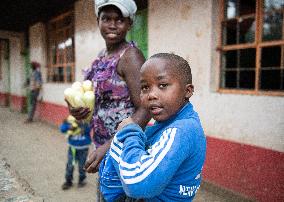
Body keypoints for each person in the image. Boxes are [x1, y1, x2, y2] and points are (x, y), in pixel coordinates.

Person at [66, 0, 150, 200]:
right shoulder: (102, 56)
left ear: (130, 23)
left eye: (120, 19)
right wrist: (77, 109)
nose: (112, 25)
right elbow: (98, 100)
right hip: (105, 149)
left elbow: (145, 108)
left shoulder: (131, 57)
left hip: (126, 151)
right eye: (106, 19)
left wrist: (111, 146)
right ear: (98, 21)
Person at [99, 53, 207, 201]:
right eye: (145, 87)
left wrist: (130, 132)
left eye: (162, 85)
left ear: (187, 91)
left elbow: (138, 184)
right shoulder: (169, 124)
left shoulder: (180, 130)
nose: (151, 95)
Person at [60, 115, 92, 190]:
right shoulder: (70, 120)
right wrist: (71, 126)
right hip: (72, 148)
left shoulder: (86, 122)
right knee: (70, 165)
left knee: (82, 166)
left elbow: (88, 130)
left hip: (83, 149)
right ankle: (68, 181)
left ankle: (82, 180)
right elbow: (62, 129)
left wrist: (82, 125)